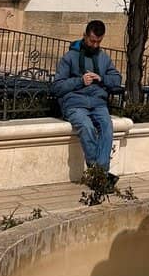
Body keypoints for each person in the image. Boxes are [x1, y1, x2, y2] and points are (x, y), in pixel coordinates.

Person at [52, 20, 123, 181]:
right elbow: (57, 87)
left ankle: (99, 174)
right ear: (84, 36)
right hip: (75, 104)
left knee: (107, 126)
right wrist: (79, 81)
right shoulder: (69, 57)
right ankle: (98, 173)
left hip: (98, 103)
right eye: (92, 41)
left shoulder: (103, 58)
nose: (95, 45)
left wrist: (102, 78)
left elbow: (117, 79)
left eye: (99, 41)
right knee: (86, 127)